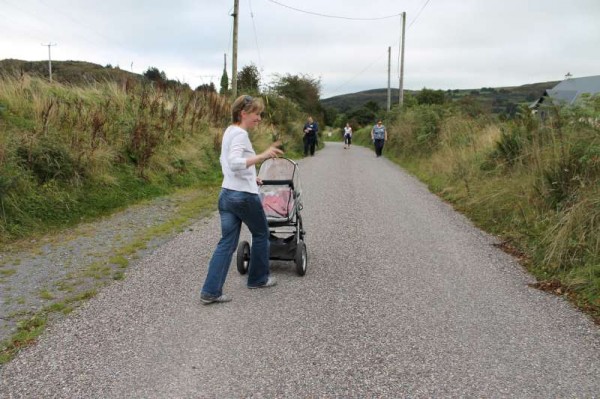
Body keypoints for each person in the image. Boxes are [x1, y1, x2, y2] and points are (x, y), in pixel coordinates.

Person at [200, 95, 284, 304]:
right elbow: (236, 162)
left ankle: (210, 292)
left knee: (227, 243)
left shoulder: (229, 131)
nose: (259, 118)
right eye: (256, 113)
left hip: (227, 194)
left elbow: (226, 162)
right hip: (243, 197)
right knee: (261, 233)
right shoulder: (240, 134)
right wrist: (263, 155)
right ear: (243, 113)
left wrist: (250, 176)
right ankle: (258, 279)